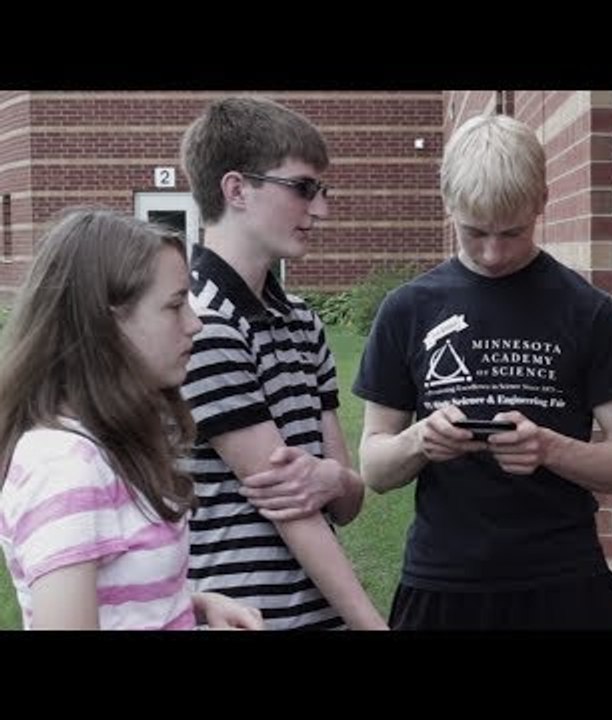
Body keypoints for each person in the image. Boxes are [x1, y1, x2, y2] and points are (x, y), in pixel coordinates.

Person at [353, 114, 612, 630]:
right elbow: (374, 470)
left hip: (562, 580)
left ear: (542, 201)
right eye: (475, 232)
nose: (493, 254)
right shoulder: (408, 310)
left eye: (512, 232)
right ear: (447, 202)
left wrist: (550, 449)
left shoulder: (589, 312)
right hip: (444, 581)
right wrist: (420, 440)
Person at [0, 209, 263, 630]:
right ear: (106, 324)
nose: (195, 324)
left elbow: (119, 599)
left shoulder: (109, 442)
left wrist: (191, 605)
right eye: (175, 305)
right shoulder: (65, 467)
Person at [179, 96, 386, 630]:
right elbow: (294, 512)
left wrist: (334, 479)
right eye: (302, 188)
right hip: (241, 618)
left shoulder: (302, 321)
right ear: (236, 190)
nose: (320, 210)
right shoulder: (200, 324)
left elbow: (346, 502)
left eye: (322, 191)